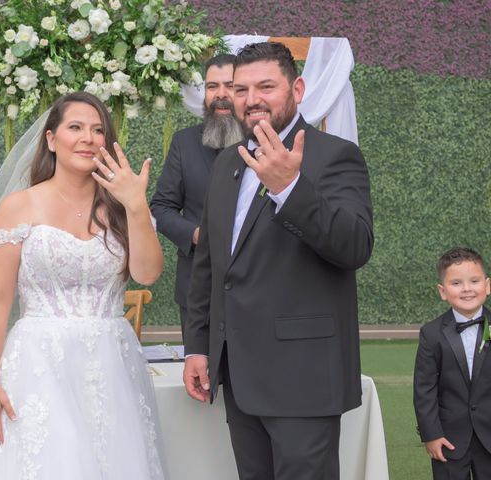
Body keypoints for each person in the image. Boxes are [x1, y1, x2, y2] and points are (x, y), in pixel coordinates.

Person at [182, 41, 374, 480]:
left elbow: (355, 246)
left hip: (303, 378)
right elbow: (210, 267)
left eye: (266, 86)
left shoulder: (335, 156)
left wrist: (290, 188)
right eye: (242, 89)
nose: (252, 99)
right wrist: (198, 345)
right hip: (238, 372)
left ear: (298, 89)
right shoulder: (228, 161)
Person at [0, 92, 165, 478]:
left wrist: (135, 204)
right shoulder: (20, 206)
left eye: (98, 130)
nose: (88, 138)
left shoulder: (124, 205)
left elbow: (148, 274)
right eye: (76, 127)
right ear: (51, 139)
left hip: (111, 364)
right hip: (37, 365)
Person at [150, 54, 242, 338]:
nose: (221, 95)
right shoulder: (184, 142)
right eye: (213, 86)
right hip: (197, 290)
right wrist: (196, 235)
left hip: (256, 290)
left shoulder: (266, 141)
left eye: (231, 86)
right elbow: (161, 207)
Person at [414, 247, 491, 480]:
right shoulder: (431, 333)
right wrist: (431, 434)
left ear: (487, 285)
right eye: (456, 283)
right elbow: (424, 389)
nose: (467, 289)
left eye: (474, 281)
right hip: (448, 439)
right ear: (443, 291)